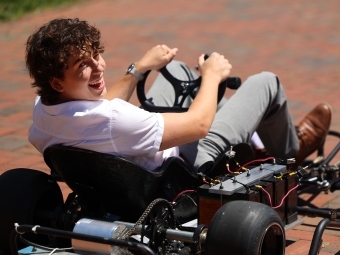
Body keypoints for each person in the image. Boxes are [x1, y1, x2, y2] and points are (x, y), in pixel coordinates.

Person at [26, 18, 332, 174]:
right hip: (183, 163)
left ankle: (253, 138)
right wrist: (212, 76)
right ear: (57, 82)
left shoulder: (43, 113)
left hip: (130, 155)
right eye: (83, 65)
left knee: (179, 71)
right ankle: (293, 150)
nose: (98, 67)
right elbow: (198, 125)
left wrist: (140, 68)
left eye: (96, 56)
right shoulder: (114, 121)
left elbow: (101, 109)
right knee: (266, 82)